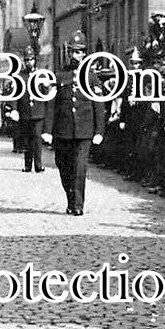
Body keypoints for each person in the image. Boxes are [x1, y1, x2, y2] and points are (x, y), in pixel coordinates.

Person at [42, 29, 106, 216]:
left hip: (84, 130)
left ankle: (78, 205)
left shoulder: (91, 77)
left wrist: (99, 131)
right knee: (63, 166)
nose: (78, 55)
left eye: (81, 51)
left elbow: (98, 105)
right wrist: (47, 129)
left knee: (80, 168)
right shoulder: (59, 76)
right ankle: (71, 199)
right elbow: (51, 104)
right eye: (74, 51)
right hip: (63, 130)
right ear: (68, 53)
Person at [14, 44, 46, 172]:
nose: (29, 62)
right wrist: (14, 109)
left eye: (31, 59)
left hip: (38, 112)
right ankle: (28, 165)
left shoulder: (41, 74)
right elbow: (15, 94)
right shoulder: (20, 76)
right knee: (27, 139)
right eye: (27, 60)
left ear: (35, 60)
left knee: (37, 138)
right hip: (25, 112)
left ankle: (38, 165)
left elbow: (46, 94)